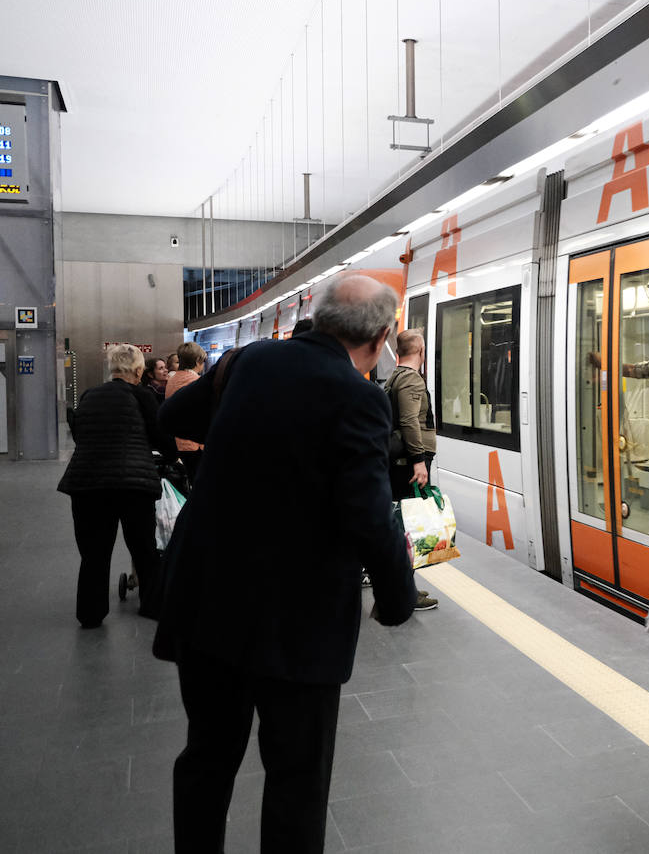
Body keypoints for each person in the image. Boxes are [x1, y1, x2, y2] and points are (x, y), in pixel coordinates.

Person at [156, 273, 417, 853]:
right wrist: (398, 599)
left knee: (207, 756)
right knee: (297, 775)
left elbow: (172, 420)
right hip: (297, 621)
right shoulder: (361, 398)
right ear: (379, 339)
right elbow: (371, 515)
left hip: (207, 601)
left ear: (320, 319)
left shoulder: (249, 362)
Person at [57, 343, 176, 626]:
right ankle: (152, 606)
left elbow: (81, 435)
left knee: (94, 553)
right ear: (138, 370)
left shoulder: (89, 395)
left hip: (87, 483)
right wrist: (171, 455)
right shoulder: (143, 395)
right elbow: (162, 437)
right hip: (132, 485)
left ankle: (90, 613)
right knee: (144, 548)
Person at [383, 328, 439, 611]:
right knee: (409, 527)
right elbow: (409, 421)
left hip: (400, 461)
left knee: (399, 523)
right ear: (419, 350)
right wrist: (418, 459)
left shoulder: (394, 376)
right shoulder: (411, 380)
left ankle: (398, 585)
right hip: (409, 463)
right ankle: (404, 590)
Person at [163, 342, 207, 486]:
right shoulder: (195, 381)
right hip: (193, 443)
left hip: (176, 439)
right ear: (197, 361)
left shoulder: (172, 379)